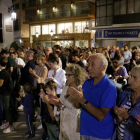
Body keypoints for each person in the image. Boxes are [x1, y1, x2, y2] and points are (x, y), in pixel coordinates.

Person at [68, 53, 117, 140]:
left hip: (100, 134)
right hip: (86, 131)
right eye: (88, 64)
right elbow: (78, 106)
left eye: (92, 65)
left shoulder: (109, 87)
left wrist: (82, 100)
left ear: (103, 67)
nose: (89, 68)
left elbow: (101, 116)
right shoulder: (87, 83)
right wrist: (76, 97)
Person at [48, 64, 88, 140]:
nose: (67, 77)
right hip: (64, 123)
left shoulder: (80, 89)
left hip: (74, 126)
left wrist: (60, 104)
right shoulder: (66, 87)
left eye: (69, 75)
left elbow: (76, 111)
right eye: (66, 74)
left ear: (76, 75)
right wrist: (55, 99)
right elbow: (61, 102)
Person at [112, 65, 140, 140]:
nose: (130, 80)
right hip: (117, 136)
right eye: (131, 76)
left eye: (135, 77)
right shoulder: (127, 91)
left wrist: (126, 117)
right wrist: (118, 118)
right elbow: (117, 117)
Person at [0, 57, 14, 133]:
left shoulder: (3, 73)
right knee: (6, 109)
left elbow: (0, 83)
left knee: (7, 109)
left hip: (5, 94)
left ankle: (10, 125)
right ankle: (8, 123)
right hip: (6, 93)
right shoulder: (6, 71)